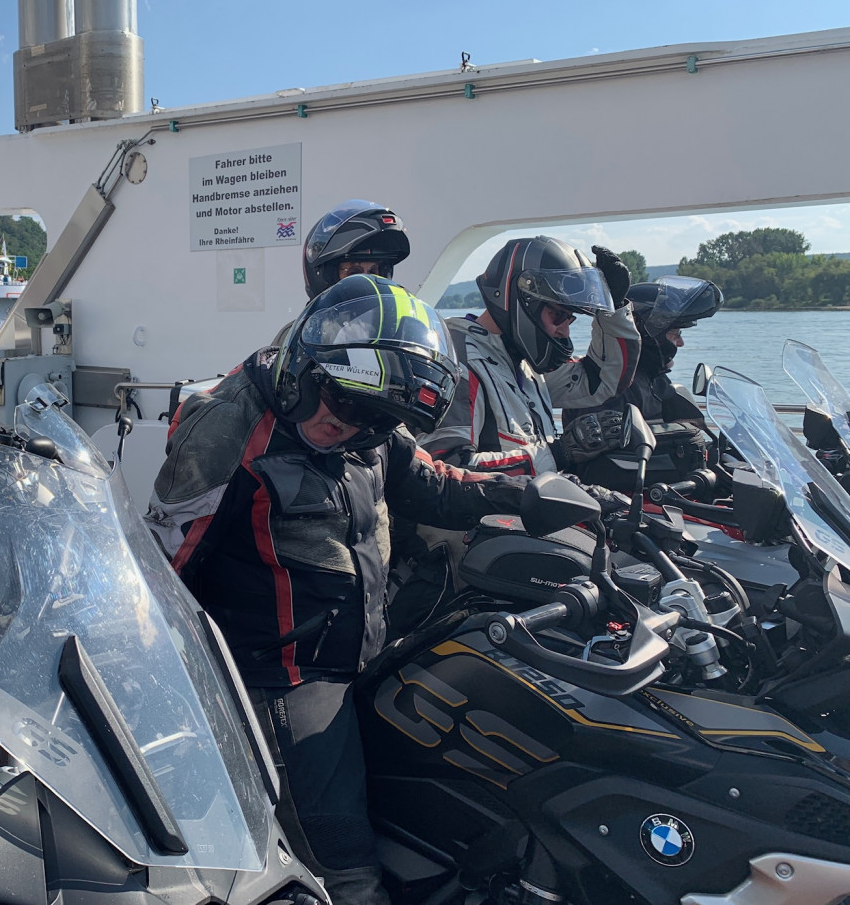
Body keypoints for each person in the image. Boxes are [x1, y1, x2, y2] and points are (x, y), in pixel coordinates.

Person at [146, 274, 527, 905]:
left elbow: (435, 484)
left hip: (369, 650)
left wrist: (530, 496)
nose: (347, 425)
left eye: (376, 419)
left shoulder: (369, 412)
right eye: (342, 404)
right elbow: (162, 568)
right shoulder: (226, 430)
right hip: (287, 677)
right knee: (347, 869)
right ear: (308, 369)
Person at [419, 236, 641, 476]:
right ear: (524, 301)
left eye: (569, 319)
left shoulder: (524, 363)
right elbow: (443, 471)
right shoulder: (459, 361)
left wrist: (615, 310)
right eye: (558, 316)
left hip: (541, 498)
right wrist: (560, 453)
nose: (565, 332)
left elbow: (603, 380)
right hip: (498, 502)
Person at [562, 275, 723, 491]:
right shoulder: (611, 387)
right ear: (648, 334)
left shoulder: (654, 379)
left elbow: (668, 438)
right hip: (626, 500)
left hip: (661, 489)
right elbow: (606, 465)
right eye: (675, 334)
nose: (681, 343)